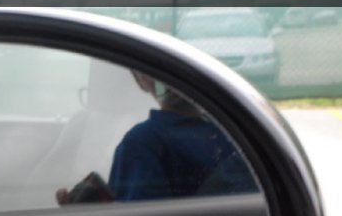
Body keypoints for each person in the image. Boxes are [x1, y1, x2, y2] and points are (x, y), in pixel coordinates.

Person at [57, 73, 257, 204]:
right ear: (140, 82)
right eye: (158, 72)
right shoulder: (143, 142)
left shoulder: (143, 141)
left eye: (176, 68)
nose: (170, 78)